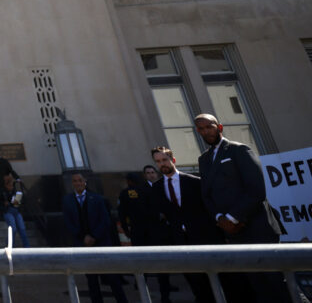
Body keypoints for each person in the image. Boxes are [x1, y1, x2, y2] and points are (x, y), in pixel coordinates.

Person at [194, 113, 289, 303]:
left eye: (209, 126)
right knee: (256, 284)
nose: (206, 131)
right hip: (233, 232)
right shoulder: (203, 160)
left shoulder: (239, 150)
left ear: (219, 127)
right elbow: (207, 195)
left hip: (258, 227)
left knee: (276, 282)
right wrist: (220, 218)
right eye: (201, 129)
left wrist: (233, 217)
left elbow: (256, 190)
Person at [150, 145, 218, 303]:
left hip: (204, 239)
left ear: (173, 160)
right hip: (180, 243)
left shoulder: (194, 181)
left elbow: (208, 208)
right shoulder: (157, 188)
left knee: (215, 279)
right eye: (158, 161)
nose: (162, 164)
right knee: (196, 283)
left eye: (164, 160)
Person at [62, 173, 127, 303]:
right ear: (72, 184)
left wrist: (94, 236)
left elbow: (105, 220)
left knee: (111, 276)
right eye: (75, 181)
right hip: (83, 243)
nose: (78, 183)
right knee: (91, 278)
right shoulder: (68, 200)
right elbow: (68, 222)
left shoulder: (97, 198)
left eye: (80, 180)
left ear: (85, 182)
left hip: (101, 241)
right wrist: (82, 237)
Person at [117, 172, 169, 302]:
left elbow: (121, 213)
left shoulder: (125, 193)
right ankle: (165, 295)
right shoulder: (150, 190)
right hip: (154, 230)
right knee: (159, 263)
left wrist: (125, 228)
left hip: (137, 231)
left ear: (129, 181)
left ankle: (141, 287)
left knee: (140, 261)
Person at [0, 172, 29, 247]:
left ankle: (27, 246)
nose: (11, 187)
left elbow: (17, 202)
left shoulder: (14, 191)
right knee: (13, 229)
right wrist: (5, 204)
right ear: (6, 185)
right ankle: (9, 246)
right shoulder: (2, 192)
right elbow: (0, 203)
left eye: (12, 185)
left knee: (22, 229)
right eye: (10, 185)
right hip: (8, 211)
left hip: (16, 210)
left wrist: (17, 201)